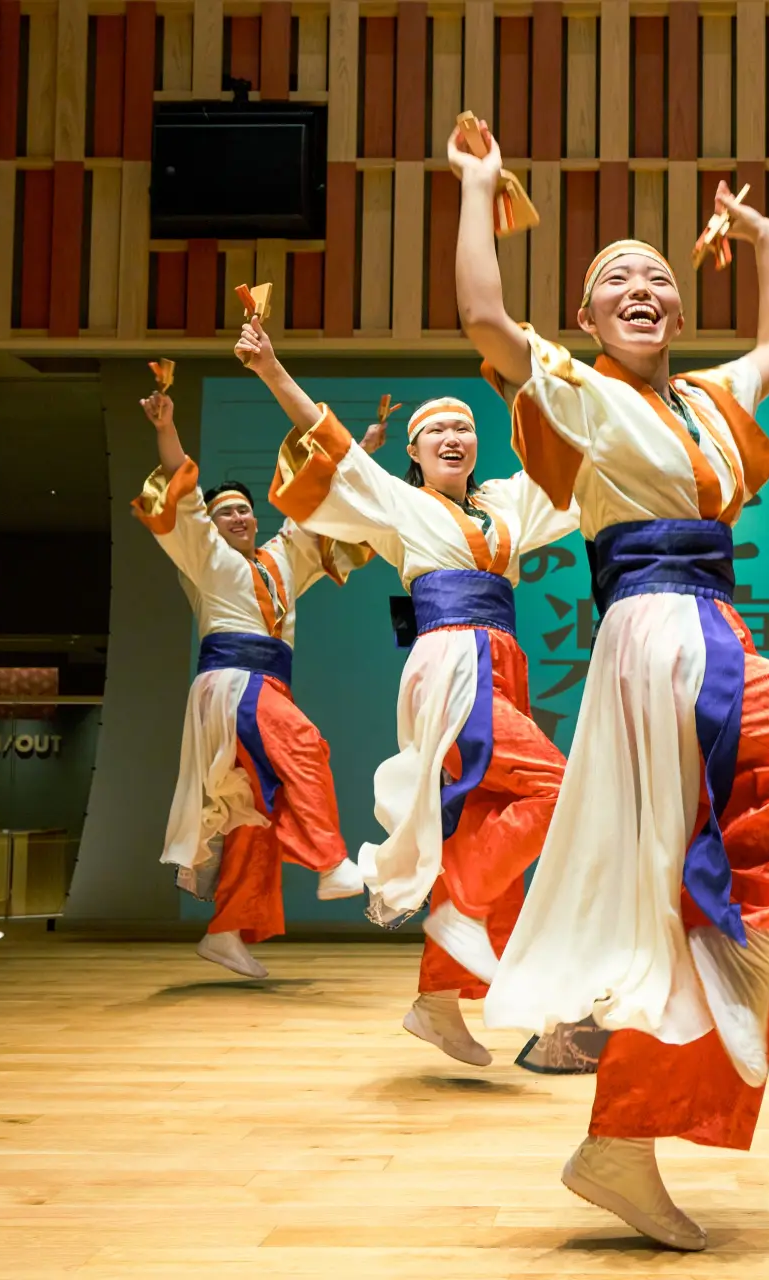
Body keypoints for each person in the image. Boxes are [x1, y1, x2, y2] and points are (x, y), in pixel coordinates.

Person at [448, 118, 769, 1251]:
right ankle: (735, 921)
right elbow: (480, 318)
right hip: (659, 635)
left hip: (707, 629)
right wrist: (475, 187)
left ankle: (622, 1142)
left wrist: (761, 235)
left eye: (658, 274)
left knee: (694, 892)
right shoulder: (572, 389)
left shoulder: (707, 400)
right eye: (617, 278)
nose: (643, 286)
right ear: (587, 317)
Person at [246, 317, 579, 1065]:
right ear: (415, 451)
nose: (454, 438)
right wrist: (272, 369)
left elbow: (568, 469)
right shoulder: (398, 503)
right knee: (555, 789)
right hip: (453, 663)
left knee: (477, 827)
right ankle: (457, 909)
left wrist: (538, 386)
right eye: (437, 432)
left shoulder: (502, 508)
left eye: (464, 428)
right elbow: (328, 445)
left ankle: (435, 1002)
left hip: (503, 663)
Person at [132, 386, 373, 979]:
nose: (238, 515)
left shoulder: (282, 557)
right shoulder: (206, 557)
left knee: (252, 816)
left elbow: (323, 511)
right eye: (226, 511)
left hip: (268, 685)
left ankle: (226, 931)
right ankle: (328, 861)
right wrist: (166, 427)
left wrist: (363, 451)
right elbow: (179, 498)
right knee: (306, 747)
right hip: (233, 683)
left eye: (243, 508)